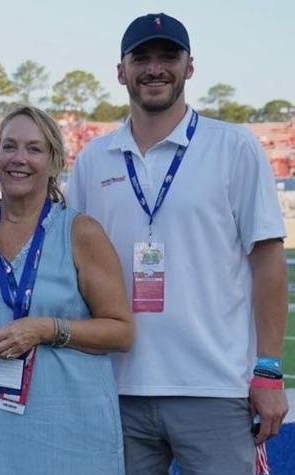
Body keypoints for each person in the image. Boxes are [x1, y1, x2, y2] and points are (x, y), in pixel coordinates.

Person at [66, 13, 289, 475]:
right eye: (141, 58)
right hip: (116, 387)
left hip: (213, 385)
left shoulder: (233, 147)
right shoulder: (92, 159)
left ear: (189, 67)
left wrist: (267, 370)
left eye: (168, 56)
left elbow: (267, 262)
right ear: (121, 71)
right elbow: (70, 267)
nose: (155, 68)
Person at [0, 105, 133, 474]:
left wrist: (47, 329)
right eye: (10, 146)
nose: (19, 159)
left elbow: (121, 330)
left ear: (54, 163)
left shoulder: (81, 233)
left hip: (71, 426)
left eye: (34, 149)